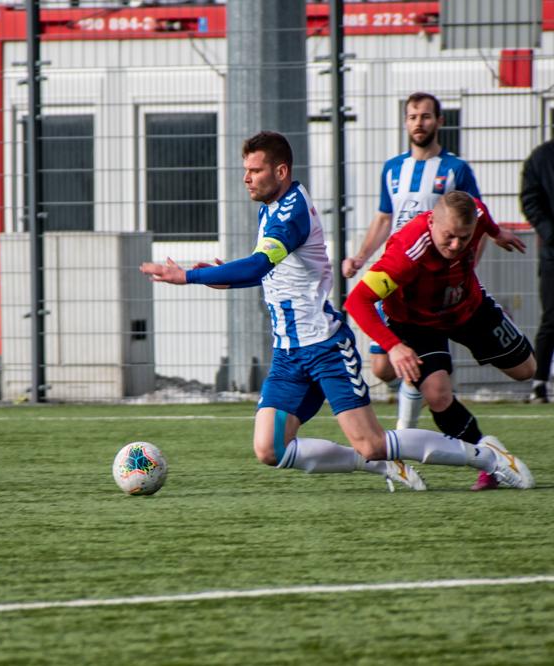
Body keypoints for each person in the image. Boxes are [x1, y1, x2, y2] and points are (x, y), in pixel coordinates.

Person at [141, 131, 534, 491]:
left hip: (324, 348)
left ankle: (489, 457)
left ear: (280, 171)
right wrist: (222, 276)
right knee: (269, 448)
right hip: (288, 351)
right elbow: (273, 273)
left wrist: (188, 276)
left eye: (255, 170)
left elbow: (259, 266)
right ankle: (378, 466)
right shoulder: (273, 207)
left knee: (373, 441)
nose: (246, 178)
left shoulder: (291, 212)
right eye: (246, 170)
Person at [344, 191, 534, 490]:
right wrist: (394, 346)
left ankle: (413, 384)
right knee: (438, 395)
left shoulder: (474, 215)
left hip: (468, 306)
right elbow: (357, 301)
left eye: (464, 237)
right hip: (417, 323)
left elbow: (481, 213)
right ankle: (491, 459)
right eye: (449, 237)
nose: (457, 245)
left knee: (526, 370)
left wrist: (497, 233)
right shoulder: (406, 253)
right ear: (432, 222)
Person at [342, 92, 482, 433]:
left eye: (426, 116)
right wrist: (360, 257)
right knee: (381, 367)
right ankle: (414, 391)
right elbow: (384, 218)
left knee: (416, 358)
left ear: (440, 121)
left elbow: (476, 223)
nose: (419, 123)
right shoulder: (393, 168)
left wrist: (465, 271)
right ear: (405, 122)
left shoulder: (456, 169)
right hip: (396, 274)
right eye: (413, 116)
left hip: (432, 281)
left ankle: (405, 429)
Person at [520, 137, 554, 404]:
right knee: (551, 318)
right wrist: (550, 234)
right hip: (552, 255)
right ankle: (539, 383)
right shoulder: (541, 158)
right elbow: (529, 200)